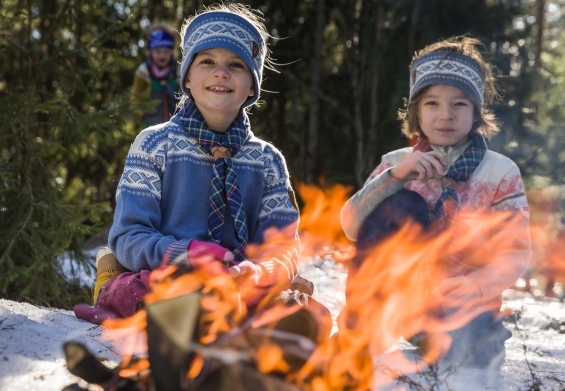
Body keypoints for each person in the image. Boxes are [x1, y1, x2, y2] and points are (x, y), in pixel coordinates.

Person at [75, 5, 314, 333]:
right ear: (187, 76)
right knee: (141, 294)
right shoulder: (154, 146)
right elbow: (129, 236)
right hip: (166, 276)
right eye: (207, 62)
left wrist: (261, 272)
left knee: (305, 311)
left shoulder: (268, 162)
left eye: (236, 64)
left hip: (240, 284)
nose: (221, 73)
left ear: (253, 86)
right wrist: (185, 253)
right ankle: (109, 280)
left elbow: (283, 247)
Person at [340, 36, 531, 370]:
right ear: (416, 110)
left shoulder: (500, 172)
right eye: (432, 103)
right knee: (404, 203)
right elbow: (351, 226)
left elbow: (515, 252)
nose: (446, 115)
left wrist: (476, 285)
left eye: (459, 104)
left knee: (475, 356)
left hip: (461, 304)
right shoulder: (397, 162)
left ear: (476, 111)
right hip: (397, 302)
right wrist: (393, 179)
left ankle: (446, 341)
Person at [133, 23, 180, 127]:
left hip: (178, 123)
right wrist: (136, 112)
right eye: (158, 51)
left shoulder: (178, 71)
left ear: (172, 52)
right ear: (150, 51)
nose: (162, 55)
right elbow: (136, 95)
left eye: (166, 52)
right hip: (151, 124)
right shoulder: (143, 72)